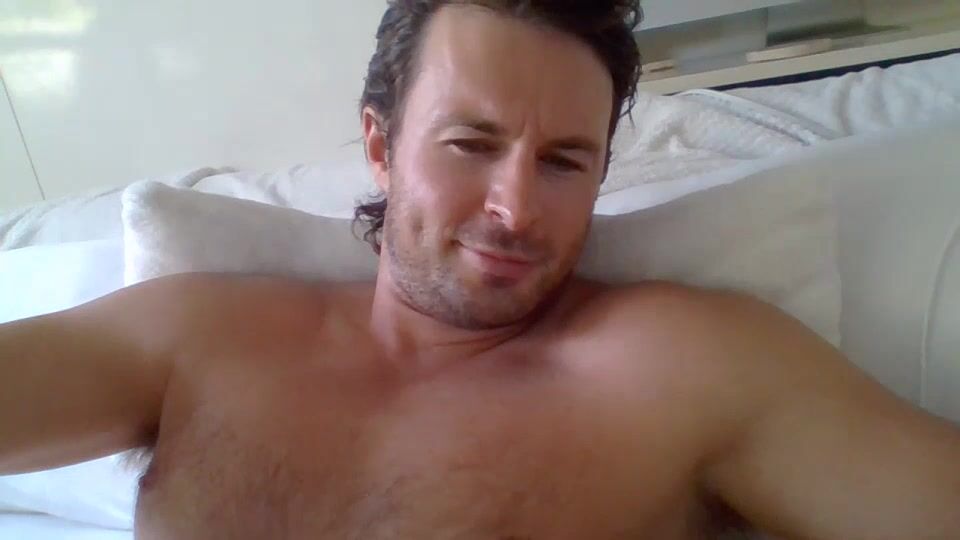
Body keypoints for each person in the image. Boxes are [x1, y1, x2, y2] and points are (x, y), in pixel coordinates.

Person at [1, 1, 958, 538]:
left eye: (565, 162)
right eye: (472, 143)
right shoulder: (197, 333)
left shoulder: (685, 367)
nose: (516, 208)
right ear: (381, 147)